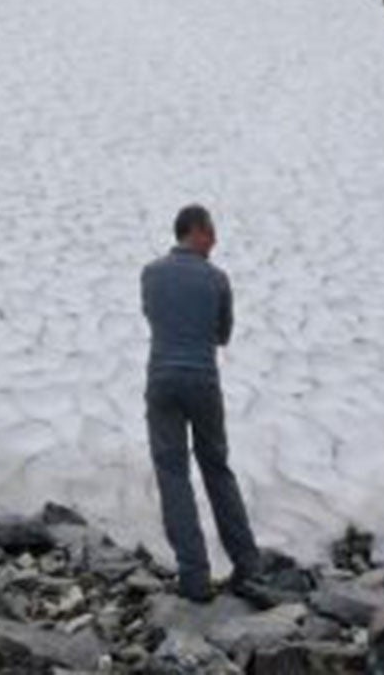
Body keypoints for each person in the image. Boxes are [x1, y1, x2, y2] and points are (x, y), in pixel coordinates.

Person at [140, 203, 261, 601]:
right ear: (197, 232)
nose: (215, 241)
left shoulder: (151, 274)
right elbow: (222, 334)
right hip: (202, 382)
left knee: (172, 475)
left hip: (161, 381)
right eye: (212, 233)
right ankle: (247, 565)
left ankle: (193, 577)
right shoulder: (217, 279)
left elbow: (152, 317)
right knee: (216, 469)